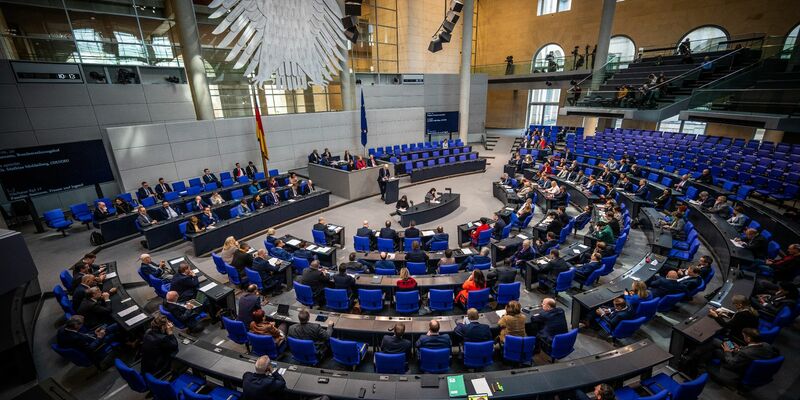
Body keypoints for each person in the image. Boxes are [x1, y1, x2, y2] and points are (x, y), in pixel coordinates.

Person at [708, 328, 780, 385]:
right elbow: (752, 350)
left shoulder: (745, 353)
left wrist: (727, 351)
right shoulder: (766, 345)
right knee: (721, 343)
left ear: (748, 339)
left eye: (744, 336)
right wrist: (739, 348)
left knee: (717, 351)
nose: (743, 338)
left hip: (738, 367)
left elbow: (732, 362)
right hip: (747, 360)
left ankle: (706, 363)